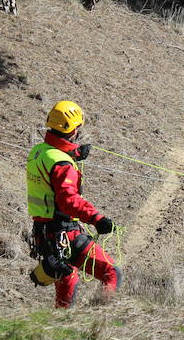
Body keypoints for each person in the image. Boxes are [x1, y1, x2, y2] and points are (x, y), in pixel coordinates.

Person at [26, 100, 121, 308]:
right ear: (72, 129)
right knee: (111, 272)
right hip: (65, 233)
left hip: (44, 233)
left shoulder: (39, 151)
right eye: (78, 127)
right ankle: (101, 319)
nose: (79, 130)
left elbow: (52, 166)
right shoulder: (62, 164)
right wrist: (97, 219)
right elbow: (68, 200)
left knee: (67, 279)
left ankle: (61, 325)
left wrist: (75, 154)